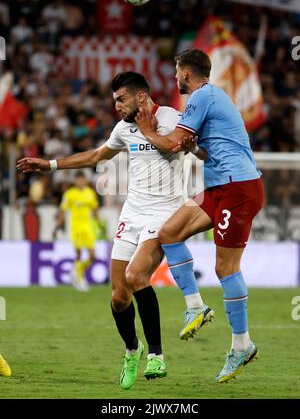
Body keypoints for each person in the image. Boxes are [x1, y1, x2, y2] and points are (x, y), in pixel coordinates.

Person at [17, 71, 210, 390]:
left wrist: (191, 147)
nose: (116, 106)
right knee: (119, 296)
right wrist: (49, 165)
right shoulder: (123, 129)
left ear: (140, 97)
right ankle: (133, 350)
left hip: (164, 213)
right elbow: (96, 156)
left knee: (137, 278)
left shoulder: (172, 117)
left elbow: (194, 148)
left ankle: (157, 356)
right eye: (114, 100)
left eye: (121, 99)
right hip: (132, 213)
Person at [135, 49, 264, 383]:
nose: (176, 78)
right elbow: (199, 150)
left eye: (177, 72)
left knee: (225, 267)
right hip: (220, 186)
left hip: (238, 187)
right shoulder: (211, 98)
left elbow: (171, 143)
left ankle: (241, 344)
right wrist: (193, 148)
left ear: (186, 74)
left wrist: (147, 130)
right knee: (170, 232)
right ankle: (195, 306)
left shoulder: (201, 96)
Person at [53, 170, 99, 292]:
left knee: (93, 256)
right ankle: (79, 278)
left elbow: (95, 210)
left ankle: (76, 271)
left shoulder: (90, 193)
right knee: (78, 253)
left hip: (87, 226)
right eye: (78, 179)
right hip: (75, 227)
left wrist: (99, 225)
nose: (80, 181)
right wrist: (58, 226)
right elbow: (62, 211)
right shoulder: (69, 194)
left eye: (82, 179)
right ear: (75, 181)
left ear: (85, 180)